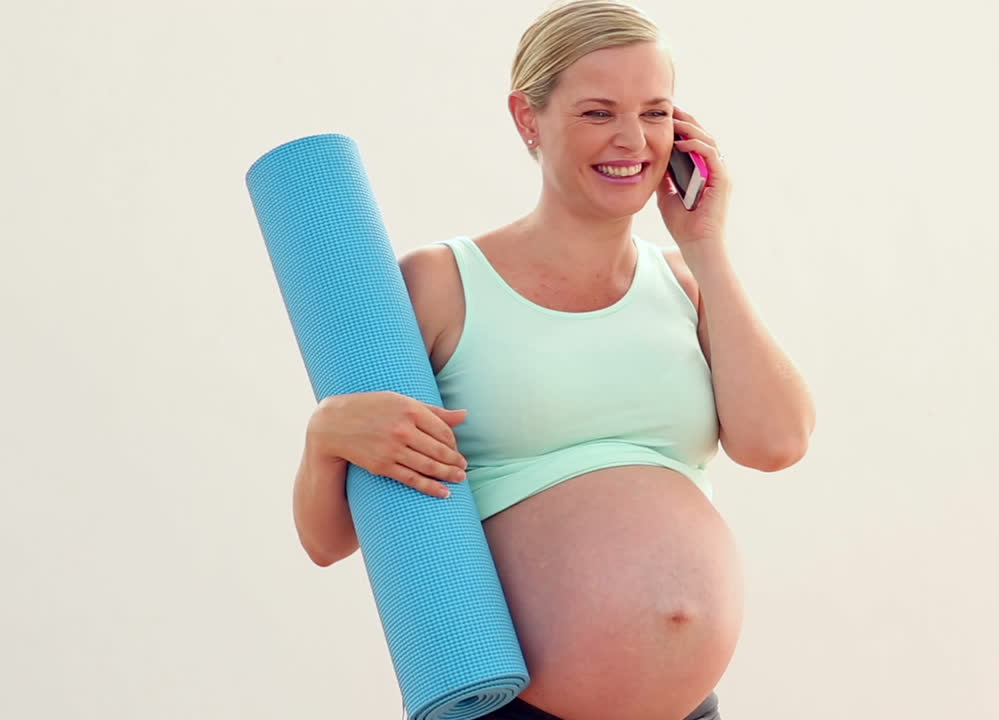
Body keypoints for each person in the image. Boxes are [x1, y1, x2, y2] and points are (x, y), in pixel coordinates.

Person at [292, 1, 815, 718]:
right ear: (527, 118)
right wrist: (326, 436)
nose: (633, 139)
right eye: (599, 112)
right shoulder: (443, 286)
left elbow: (777, 443)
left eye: (656, 112)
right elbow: (328, 542)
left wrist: (706, 246)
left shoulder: (687, 287)